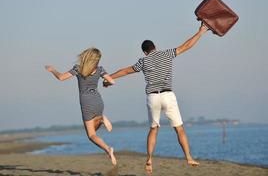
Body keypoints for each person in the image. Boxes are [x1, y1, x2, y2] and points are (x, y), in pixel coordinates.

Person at [104, 24, 208, 173]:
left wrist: (108, 78)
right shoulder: (167, 54)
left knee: (153, 129)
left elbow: (126, 71)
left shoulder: (143, 61)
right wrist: (200, 32)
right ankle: (188, 157)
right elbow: (186, 46)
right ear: (155, 47)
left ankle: (149, 159)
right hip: (168, 95)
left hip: (152, 97)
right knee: (179, 129)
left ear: (145, 52)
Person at [45, 47, 117, 165]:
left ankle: (108, 149)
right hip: (98, 102)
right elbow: (113, 81)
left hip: (86, 103)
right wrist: (106, 83)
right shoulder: (100, 70)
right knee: (94, 129)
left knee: (91, 135)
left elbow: (61, 77)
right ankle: (101, 118)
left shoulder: (78, 69)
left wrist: (53, 70)